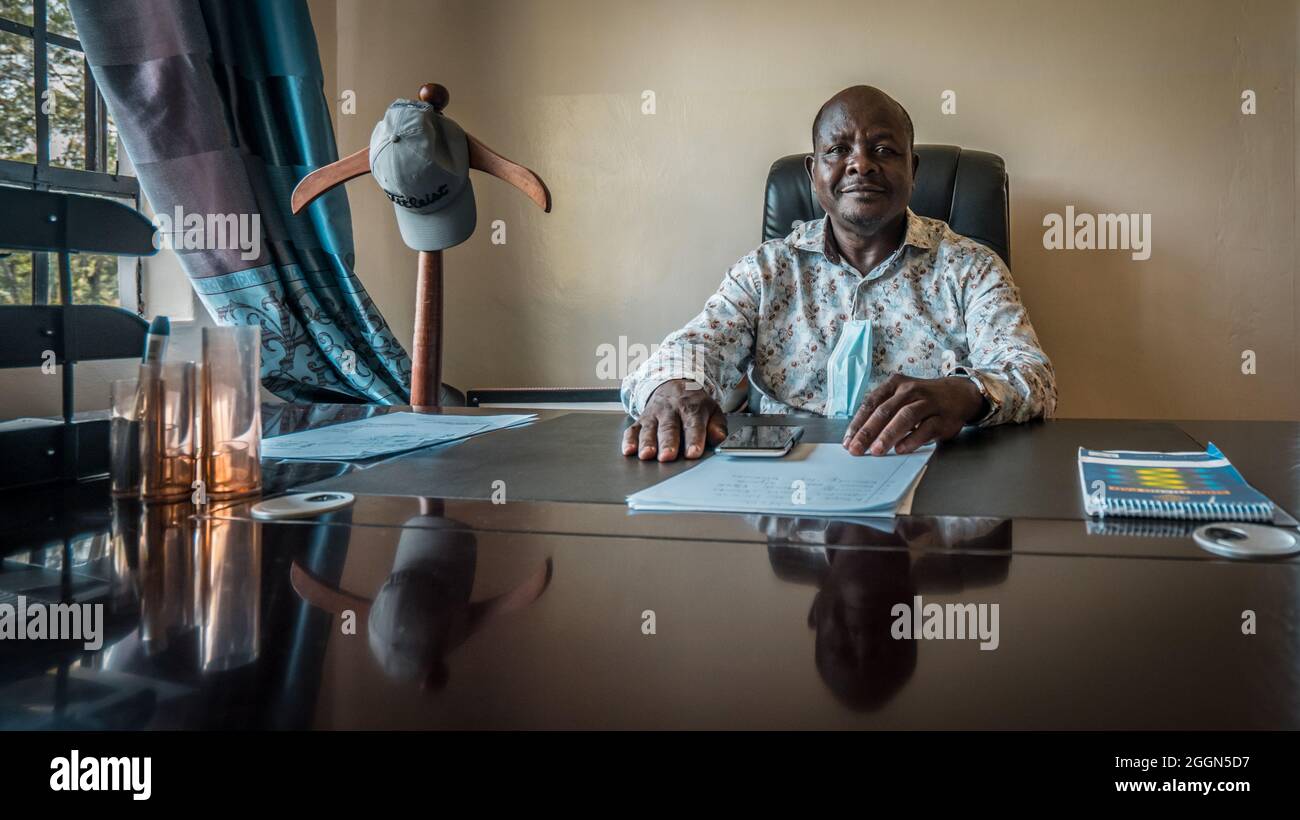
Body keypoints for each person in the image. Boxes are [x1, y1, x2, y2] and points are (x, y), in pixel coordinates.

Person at [620, 85, 1056, 461]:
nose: (861, 164)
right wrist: (669, 388)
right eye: (838, 150)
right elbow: (689, 351)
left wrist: (967, 393)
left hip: (929, 487)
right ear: (813, 173)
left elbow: (1032, 377)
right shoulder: (765, 271)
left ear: (914, 170)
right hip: (784, 495)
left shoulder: (970, 269)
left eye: (883, 150)